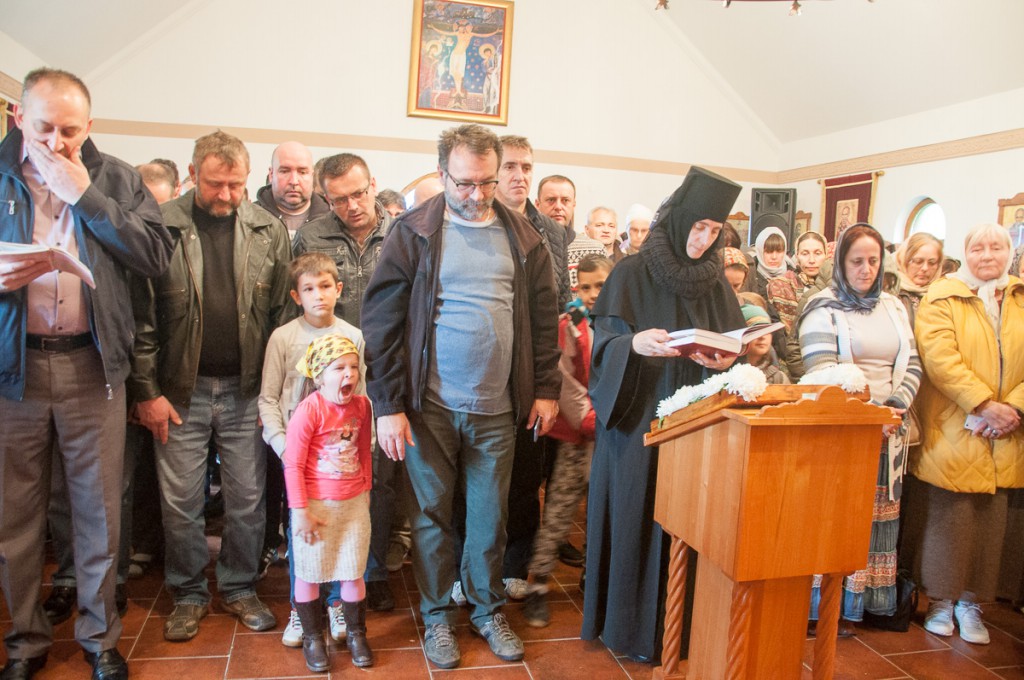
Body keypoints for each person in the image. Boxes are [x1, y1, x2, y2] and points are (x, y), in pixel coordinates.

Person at [361, 123, 561, 670]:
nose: (476, 194)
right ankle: (435, 617)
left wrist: (546, 388)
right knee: (430, 518)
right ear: (443, 173)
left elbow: (544, 321)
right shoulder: (413, 232)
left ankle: (486, 609)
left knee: (490, 519)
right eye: (465, 183)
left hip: (499, 408)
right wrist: (388, 406)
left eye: (487, 182)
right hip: (429, 408)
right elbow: (381, 323)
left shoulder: (525, 238)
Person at [0, 67, 173, 680]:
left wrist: (85, 196)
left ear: (89, 125)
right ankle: (25, 641)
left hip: (91, 365)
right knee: (15, 519)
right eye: (44, 127)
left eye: (70, 131)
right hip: (13, 371)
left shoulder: (116, 178)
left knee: (99, 512)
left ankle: (100, 639)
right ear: (18, 118)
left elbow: (156, 256)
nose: (57, 142)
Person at [132, 130, 291, 642]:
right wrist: (147, 391)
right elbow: (142, 319)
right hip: (180, 392)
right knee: (181, 502)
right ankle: (188, 592)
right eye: (215, 184)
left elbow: (281, 318)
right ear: (192, 173)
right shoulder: (160, 224)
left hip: (247, 391)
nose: (225, 195)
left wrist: (275, 394)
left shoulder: (268, 229)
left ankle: (239, 586)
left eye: (236, 185)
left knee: (247, 499)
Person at [581, 166, 743, 662]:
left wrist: (727, 358)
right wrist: (634, 344)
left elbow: (732, 342)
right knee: (640, 514)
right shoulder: (631, 273)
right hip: (640, 422)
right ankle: (629, 629)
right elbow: (602, 349)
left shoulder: (716, 283)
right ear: (676, 220)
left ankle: (685, 628)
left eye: (714, 231)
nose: (703, 239)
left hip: (697, 422)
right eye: (698, 227)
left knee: (691, 518)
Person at [902, 223, 1024, 645]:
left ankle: (972, 604)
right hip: (955, 423)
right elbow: (940, 358)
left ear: (1009, 253)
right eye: (978, 248)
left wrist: (1013, 408)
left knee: (992, 524)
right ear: (965, 253)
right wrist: (983, 404)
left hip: (1008, 429)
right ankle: (939, 601)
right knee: (950, 519)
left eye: (996, 247)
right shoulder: (943, 295)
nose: (987, 255)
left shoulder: (1020, 297)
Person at [798, 223, 921, 633]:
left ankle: (863, 605)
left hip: (890, 428)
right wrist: (869, 415)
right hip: (844, 430)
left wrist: (895, 406)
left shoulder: (894, 306)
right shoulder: (822, 306)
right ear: (840, 263)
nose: (866, 269)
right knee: (836, 518)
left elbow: (913, 362)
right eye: (856, 261)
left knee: (876, 519)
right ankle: (822, 608)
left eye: (873, 260)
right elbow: (822, 370)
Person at [293, 153, 397, 611]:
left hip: (386, 370)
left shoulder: (400, 232)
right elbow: (299, 300)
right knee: (328, 475)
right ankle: (324, 574)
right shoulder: (312, 235)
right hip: (330, 378)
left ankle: (373, 570)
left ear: (373, 185)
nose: (352, 206)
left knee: (380, 478)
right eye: (339, 199)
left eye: (358, 194)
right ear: (325, 197)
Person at [258, 253, 365, 648]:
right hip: (297, 457)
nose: (318, 295)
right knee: (302, 530)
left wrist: (360, 449)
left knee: (342, 531)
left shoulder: (353, 335)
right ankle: (301, 608)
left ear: (338, 289)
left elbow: (361, 399)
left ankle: (337, 604)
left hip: (340, 461)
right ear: (296, 295)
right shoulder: (283, 338)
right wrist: (282, 444)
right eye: (308, 288)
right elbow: (268, 398)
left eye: (325, 286)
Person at [524, 253, 613, 628]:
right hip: (581, 434)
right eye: (586, 287)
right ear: (576, 288)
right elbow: (565, 382)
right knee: (560, 510)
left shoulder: (620, 322)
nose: (593, 294)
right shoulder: (570, 324)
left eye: (601, 285)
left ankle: (592, 575)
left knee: (602, 511)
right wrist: (592, 420)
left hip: (611, 434)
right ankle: (538, 585)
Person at [285, 335, 375, 671]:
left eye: (353, 366)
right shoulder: (309, 410)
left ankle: (356, 633)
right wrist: (300, 511)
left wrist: (366, 488)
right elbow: (293, 464)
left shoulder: (362, 407)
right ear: (320, 376)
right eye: (339, 368)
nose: (349, 373)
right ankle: (312, 637)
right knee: (309, 573)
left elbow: (364, 450)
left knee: (353, 570)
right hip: (315, 507)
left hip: (353, 505)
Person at [255, 141, 329, 240]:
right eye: (285, 171)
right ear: (271, 175)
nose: (294, 181)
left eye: (302, 172)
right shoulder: (249, 219)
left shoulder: (333, 221)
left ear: (312, 176)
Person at [893, 232, 943, 326]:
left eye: (932, 263)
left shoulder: (942, 295)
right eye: (918, 261)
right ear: (903, 260)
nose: (925, 268)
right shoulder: (891, 293)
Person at [738, 302, 789, 384]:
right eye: (755, 331)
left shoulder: (779, 378)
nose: (762, 337)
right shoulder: (726, 377)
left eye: (767, 331)